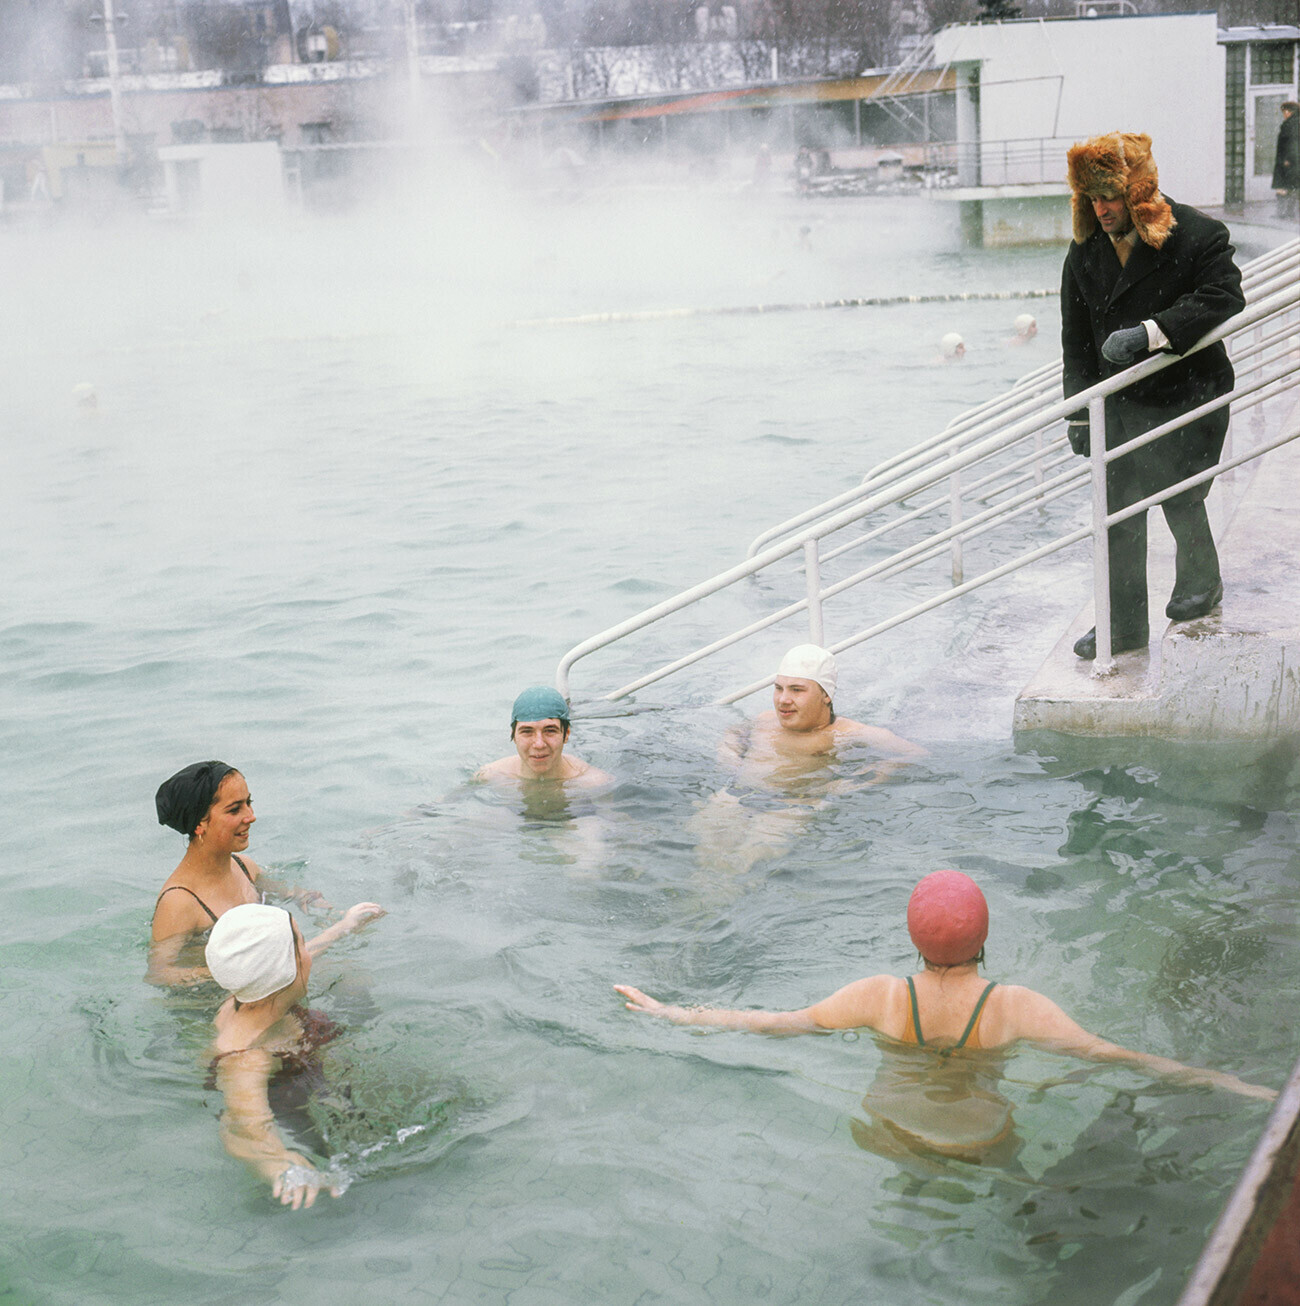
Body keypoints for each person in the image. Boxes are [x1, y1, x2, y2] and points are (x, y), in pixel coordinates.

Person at [615, 870, 1276, 1153]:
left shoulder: (877, 996)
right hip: (981, 1144)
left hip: (885, 1134)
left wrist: (667, 1010)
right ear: (983, 938)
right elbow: (1121, 1058)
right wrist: (1247, 1088)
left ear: (913, 938)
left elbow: (771, 1022)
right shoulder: (1012, 1008)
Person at [1060, 132, 1245, 660]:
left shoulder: (1196, 234)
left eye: (1109, 197)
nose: (1101, 209)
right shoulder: (1083, 253)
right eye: (1091, 199)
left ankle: (1200, 583)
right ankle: (1122, 624)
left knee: (1180, 492)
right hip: (1116, 402)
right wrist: (1078, 417)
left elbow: (1225, 293)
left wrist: (1152, 331)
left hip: (1188, 390)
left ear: (1137, 190)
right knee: (1116, 510)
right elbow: (1074, 341)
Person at [205, 900, 385, 1209]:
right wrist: (280, 1167)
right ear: (288, 966)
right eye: (301, 944)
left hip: (302, 1063)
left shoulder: (248, 990)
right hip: (292, 1103)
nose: (309, 955)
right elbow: (243, 1127)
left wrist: (343, 927)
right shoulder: (247, 1058)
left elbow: (282, 959)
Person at [149, 761, 326, 987]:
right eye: (235, 809)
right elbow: (159, 974)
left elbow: (288, 893)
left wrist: (307, 898)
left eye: (248, 803)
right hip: (211, 1002)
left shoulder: (245, 866)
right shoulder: (179, 902)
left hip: (262, 986)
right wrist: (235, 972)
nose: (250, 816)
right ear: (199, 823)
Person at [720, 645, 926, 777]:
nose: (783, 700)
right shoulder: (764, 720)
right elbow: (733, 734)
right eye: (778, 688)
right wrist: (730, 759)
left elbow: (916, 753)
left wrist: (871, 777)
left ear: (826, 695)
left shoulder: (847, 733)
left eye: (797, 690)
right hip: (734, 796)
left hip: (792, 806)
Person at [475, 686, 611, 788]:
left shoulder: (593, 782)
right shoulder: (490, 775)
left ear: (566, 734)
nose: (539, 744)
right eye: (527, 731)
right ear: (513, 735)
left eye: (550, 731)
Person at [1272, 101, 1299, 217]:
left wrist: (1288, 159)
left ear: (1289, 111)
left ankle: (1284, 213)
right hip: (1293, 161)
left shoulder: (1290, 125)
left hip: (1288, 162)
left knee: (1285, 187)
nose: (1284, 114)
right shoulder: (1295, 123)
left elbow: (1292, 143)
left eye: (1284, 112)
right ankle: (1288, 213)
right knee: (1291, 187)